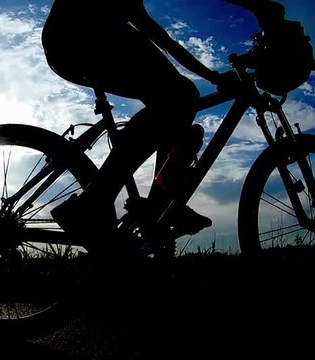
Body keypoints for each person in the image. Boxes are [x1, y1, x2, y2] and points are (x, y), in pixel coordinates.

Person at [42, 0, 276, 247]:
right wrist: (214, 77)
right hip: (80, 37)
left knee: (173, 106)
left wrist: (214, 77)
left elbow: (160, 38)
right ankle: (94, 203)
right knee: (181, 95)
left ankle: (158, 205)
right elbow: (162, 39)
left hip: (77, 37)